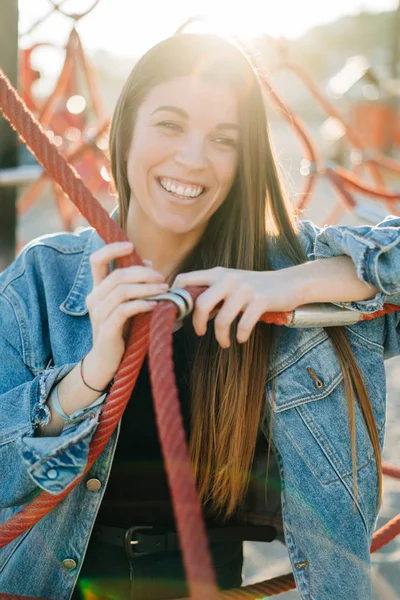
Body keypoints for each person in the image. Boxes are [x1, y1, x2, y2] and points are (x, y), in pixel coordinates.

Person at [0, 32, 399, 600]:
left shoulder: (278, 269)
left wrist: (291, 284)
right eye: (169, 125)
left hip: (203, 582)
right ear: (126, 133)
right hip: (53, 582)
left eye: (223, 139)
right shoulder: (42, 279)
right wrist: (87, 378)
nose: (192, 158)